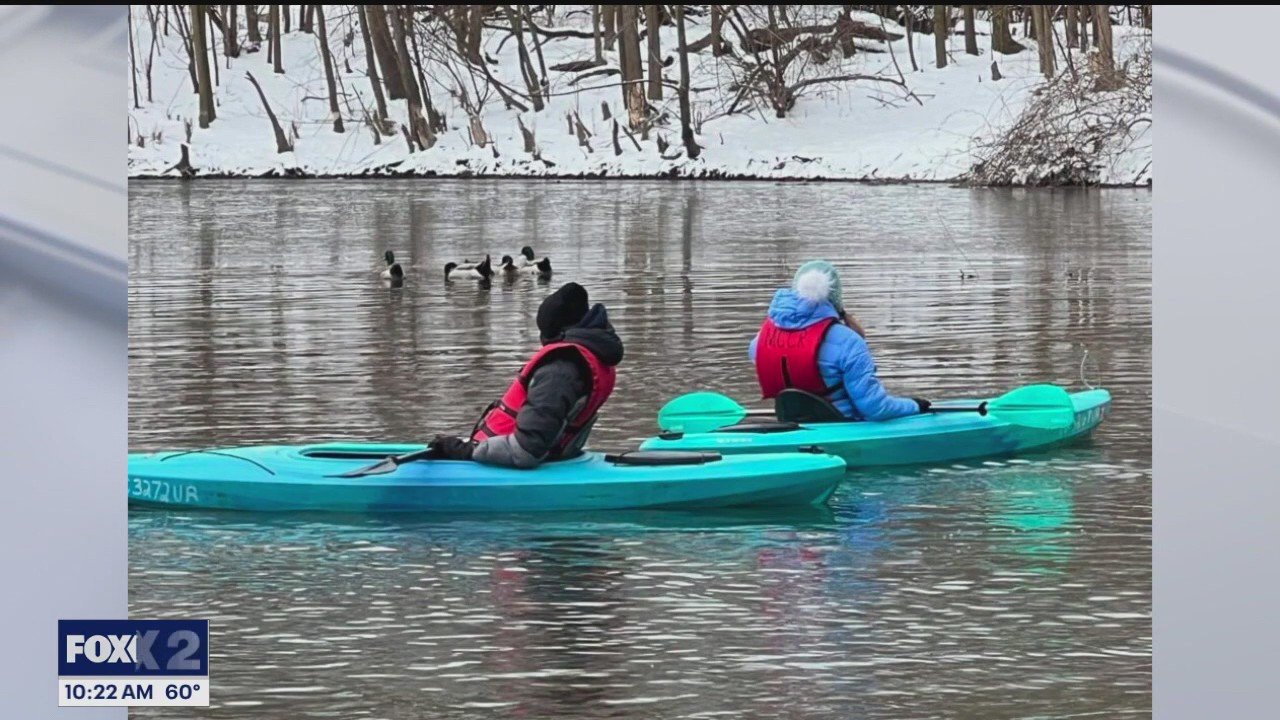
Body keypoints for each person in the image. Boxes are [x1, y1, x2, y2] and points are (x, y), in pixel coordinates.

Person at [427, 282, 625, 468]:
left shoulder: (560, 369)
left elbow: (525, 451)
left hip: (508, 463)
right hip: (551, 457)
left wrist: (465, 452)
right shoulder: (591, 356)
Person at [748, 260, 928, 422]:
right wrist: (914, 405)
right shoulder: (849, 341)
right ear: (836, 297)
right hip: (842, 425)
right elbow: (875, 409)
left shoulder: (760, 340)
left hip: (790, 424)